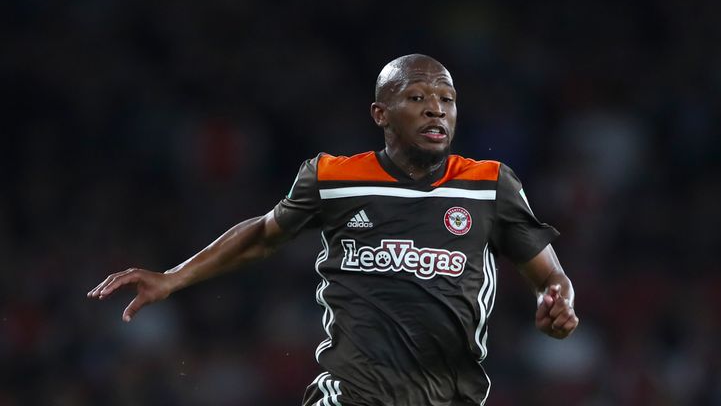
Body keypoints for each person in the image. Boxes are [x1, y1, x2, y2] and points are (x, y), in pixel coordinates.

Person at [87, 54, 579, 406]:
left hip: (450, 393)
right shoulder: (333, 177)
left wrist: (556, 301)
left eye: (447, 99)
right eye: (417, 96)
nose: (436, 109)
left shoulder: (490, 185)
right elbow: (262, 235)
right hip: (350, 392)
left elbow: (549, 276)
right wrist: (172, 278)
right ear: (380, 114)